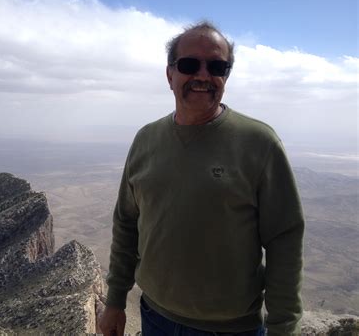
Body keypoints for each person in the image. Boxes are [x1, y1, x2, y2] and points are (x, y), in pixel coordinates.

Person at [99, 21, 304, 336]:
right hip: (154, 317)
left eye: (217, 66)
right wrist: (115, 301)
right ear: (170, 75)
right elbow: (126, 223)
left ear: (226, 77)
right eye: (190, 64)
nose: (203, 75)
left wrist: (283, 328)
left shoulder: (259, 143)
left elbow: (284, 241)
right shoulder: (146, 139)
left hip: (231, 330)